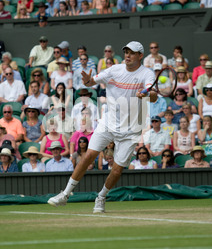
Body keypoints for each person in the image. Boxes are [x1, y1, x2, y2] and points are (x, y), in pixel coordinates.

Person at [47, 40, 156, 213]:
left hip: (132, 128)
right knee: (89, 154)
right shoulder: (114, 70)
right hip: (109, 123)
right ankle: (65, 194)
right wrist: (89, 80)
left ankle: (101, 197)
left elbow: (154, 95)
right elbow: (91, 83)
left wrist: (146, 93)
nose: (127, 55)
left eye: (132, 52)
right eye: (126, 51)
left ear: (140, 56)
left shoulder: (147, 74)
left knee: (117, 170)